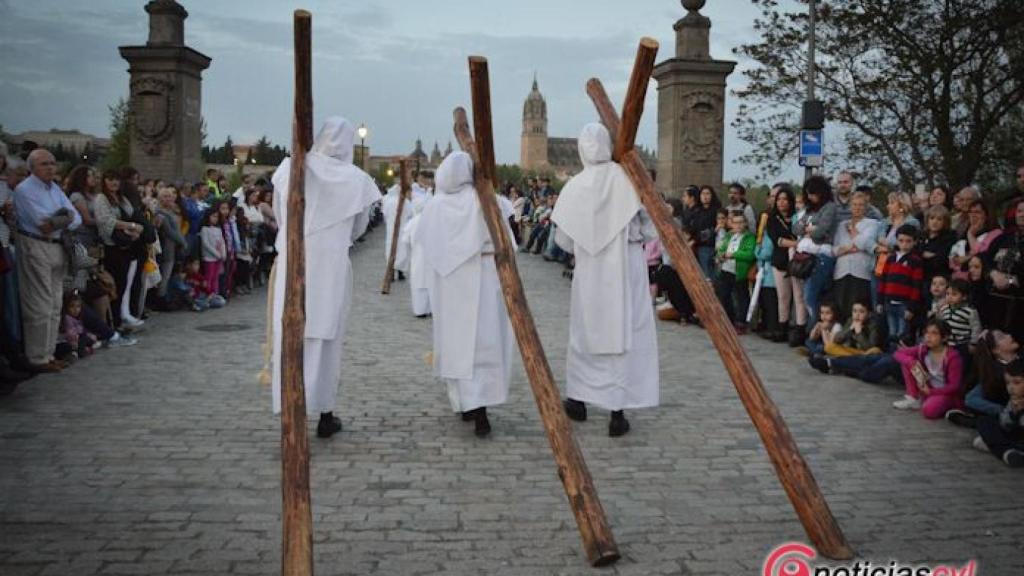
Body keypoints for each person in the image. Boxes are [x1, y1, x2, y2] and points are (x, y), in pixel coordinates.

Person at [269, 116, 379, 438]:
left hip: (293, 261)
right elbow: (359, 229)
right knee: (325, 341)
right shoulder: (356, 181)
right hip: (330, 267)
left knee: (290, 335)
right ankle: (324, 412)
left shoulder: (288, 170)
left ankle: (291, 410)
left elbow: (279, 215)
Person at [552, 123, 659, 437]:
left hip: (590, 269)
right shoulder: (628, 181)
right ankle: (617, 410)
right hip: (628, 268)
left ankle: (579, 399)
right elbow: (652, 228)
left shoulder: (574, 187)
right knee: (626, 333)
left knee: (586, 333)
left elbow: (563, 241)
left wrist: (591, 236)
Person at [415, 151, 513, 437]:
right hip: (484, 276)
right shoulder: (485, 201)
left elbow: (426, 245)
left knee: (456, 341)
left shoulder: (434, 208)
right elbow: (508, 240)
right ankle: (481, 403)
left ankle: (465, 402)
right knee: (486, 339)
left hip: (449, 284)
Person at [13, 149, 82, 372]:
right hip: (36, 245)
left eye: (53, 163)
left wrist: (59, 220)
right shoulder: (25, 190)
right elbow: (42, 223)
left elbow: (75, 218)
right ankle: (37, 357)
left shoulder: (55, 189)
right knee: (39, 304)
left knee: (54, 304)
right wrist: (62, 218)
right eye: (44, 164)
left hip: (58, 246)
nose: (50, 167)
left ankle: (48, 353)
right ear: (32, 167)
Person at [892, 319, 964, 419]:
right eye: (926, 333)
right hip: (927, 388)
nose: (928, 336)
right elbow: (898, 353)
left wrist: (931, 392)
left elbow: (954, 386)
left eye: (934, 333)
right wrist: (912, 362)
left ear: (945, 337)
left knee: (928, 411)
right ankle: (914, 398)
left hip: (944, 393)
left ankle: (944, 405)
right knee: (908, 362)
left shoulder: (952, 357)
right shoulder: (923, 349)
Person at [793, 175, 839, 327]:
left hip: (822, 256)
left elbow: (822, 231)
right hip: (806, 256)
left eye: (813, 193)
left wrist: (809, 230)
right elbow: (796, 227)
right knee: (808, 295)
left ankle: (815, 328)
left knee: (810, 296)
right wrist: (810, 229)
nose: (810, 197)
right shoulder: (809, 209)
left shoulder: (830, 207)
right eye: (808, 194)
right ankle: (814, 330)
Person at [831, 191, 878, 319]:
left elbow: (865, 244)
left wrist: (852, 232)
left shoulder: (872, 224)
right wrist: (848, 248)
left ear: (866, 207)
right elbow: (834, 249)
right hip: (842, 271)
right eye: (855, 204)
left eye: (861, 205)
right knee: (841, 308)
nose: (857, 208)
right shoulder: (841, 225)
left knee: (859, 309)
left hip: (861, 272)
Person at [876, 224, 925, 346]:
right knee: (892, 333)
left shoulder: (915, 261)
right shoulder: (890, 258)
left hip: (904, 304)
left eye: (908, 241)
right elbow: (883, 280)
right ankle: (891, 358)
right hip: (889, 302)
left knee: (902, 334)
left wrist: (911, 307)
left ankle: (900, 359)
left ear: (914, 242)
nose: (904, 244)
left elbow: (916, 286)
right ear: (897, 240)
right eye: (901, 240)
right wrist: (880, 301)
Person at [767, 185, 804, 343]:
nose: (782, 203)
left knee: (799, 296)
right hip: (780, 262)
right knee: (783, 296)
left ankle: (799, 329)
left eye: (785, 199)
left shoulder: (799, 217)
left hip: (798, 262)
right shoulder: (772, 219)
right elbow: (778, 241)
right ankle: (782, 327)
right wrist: (796, 244)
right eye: (779, 199)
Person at [973, 359, 1024, 467]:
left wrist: (1020, 412)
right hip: (1013, 438)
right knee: (984, 421)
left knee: (982, 442)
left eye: (1017, 382)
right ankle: (1008, 451)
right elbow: (1004, 424)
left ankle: (1001, 450)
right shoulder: (1014, 399)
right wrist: (1014, 413)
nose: (1011, 387)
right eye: (1008, 383)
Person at [714, 211, 756, 333]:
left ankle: (741, 322)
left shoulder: (749, 237)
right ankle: (728, 320)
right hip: (726, 269)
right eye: (735, 222)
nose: (738, 225)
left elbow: (749, 254)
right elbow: (721, 249)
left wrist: (733, 254)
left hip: (740, 271)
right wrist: (721, 255)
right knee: (724, 296)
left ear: (745, 223)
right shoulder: (729, 235)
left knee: (741, 297)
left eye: (740, 222)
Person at [402, 200, 431, 317]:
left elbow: (405, 240)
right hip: (431, 258)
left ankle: (419, 310)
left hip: (417, 257)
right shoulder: (432, 221)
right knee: (430, 283)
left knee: (418, 283)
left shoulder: (412, 223)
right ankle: (430, 308)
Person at [381, 182, 411, 281]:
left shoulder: (389, 202)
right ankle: (400, 272)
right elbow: (411, 215)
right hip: (402, 229)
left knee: (391, 250)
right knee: (401, 250)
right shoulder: (406, 202)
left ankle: (391, 272)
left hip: (391, 229)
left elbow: (384, 215)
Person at [693, 185, 722, 278]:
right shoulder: (697, 211)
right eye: (703, 194)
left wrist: (712, 232)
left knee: (710, 276)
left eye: (707, 193)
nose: (705, 196)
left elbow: (717, 227)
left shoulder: (716, 210)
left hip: (713, 245)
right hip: (699, 245)